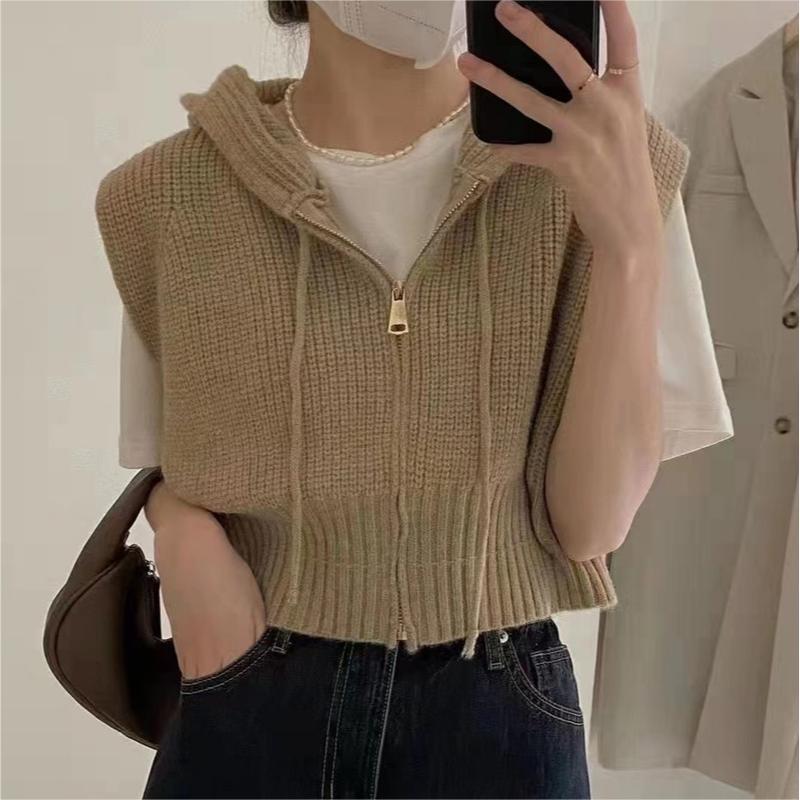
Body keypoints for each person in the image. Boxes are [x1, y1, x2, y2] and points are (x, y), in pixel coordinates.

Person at [95, 1, 732, 797]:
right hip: (250, 680)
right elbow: (170, 455)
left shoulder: (615, 167)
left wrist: (629, 244)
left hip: (496, 703)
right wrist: (181, 533)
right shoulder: (163, 195)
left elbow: (591, 526)